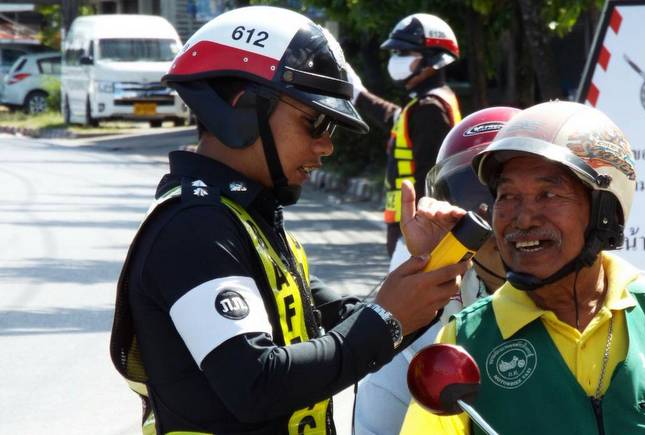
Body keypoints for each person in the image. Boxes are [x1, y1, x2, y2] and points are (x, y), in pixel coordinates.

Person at [108, 6, 471, 435]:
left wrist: (428, 268)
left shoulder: (249, 223)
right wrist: (387, 317)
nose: (325, 146)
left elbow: (344, 323)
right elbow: (256, 383)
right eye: (314, 121)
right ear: (241, 111)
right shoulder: (194, 229)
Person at [401, 101, 645, 434]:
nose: (521, 218)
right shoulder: (466, 340)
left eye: (548, 194)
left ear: (604, 213)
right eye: (507, 196)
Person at [353, 107, 517, 435]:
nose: (508, 218)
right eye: (479, 198)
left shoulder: (613, 304)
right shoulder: (429, 326)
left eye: (541, 195)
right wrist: (434, 266)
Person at [348, 13, 462, 262]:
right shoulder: (428, 103)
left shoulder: (430, 108)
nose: (396, 60)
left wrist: (417, 235)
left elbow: (428, 177)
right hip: (410, 226)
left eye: (405, 53)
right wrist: (358, 94)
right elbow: (396, 118)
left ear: (433, 59)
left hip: (416, 229)